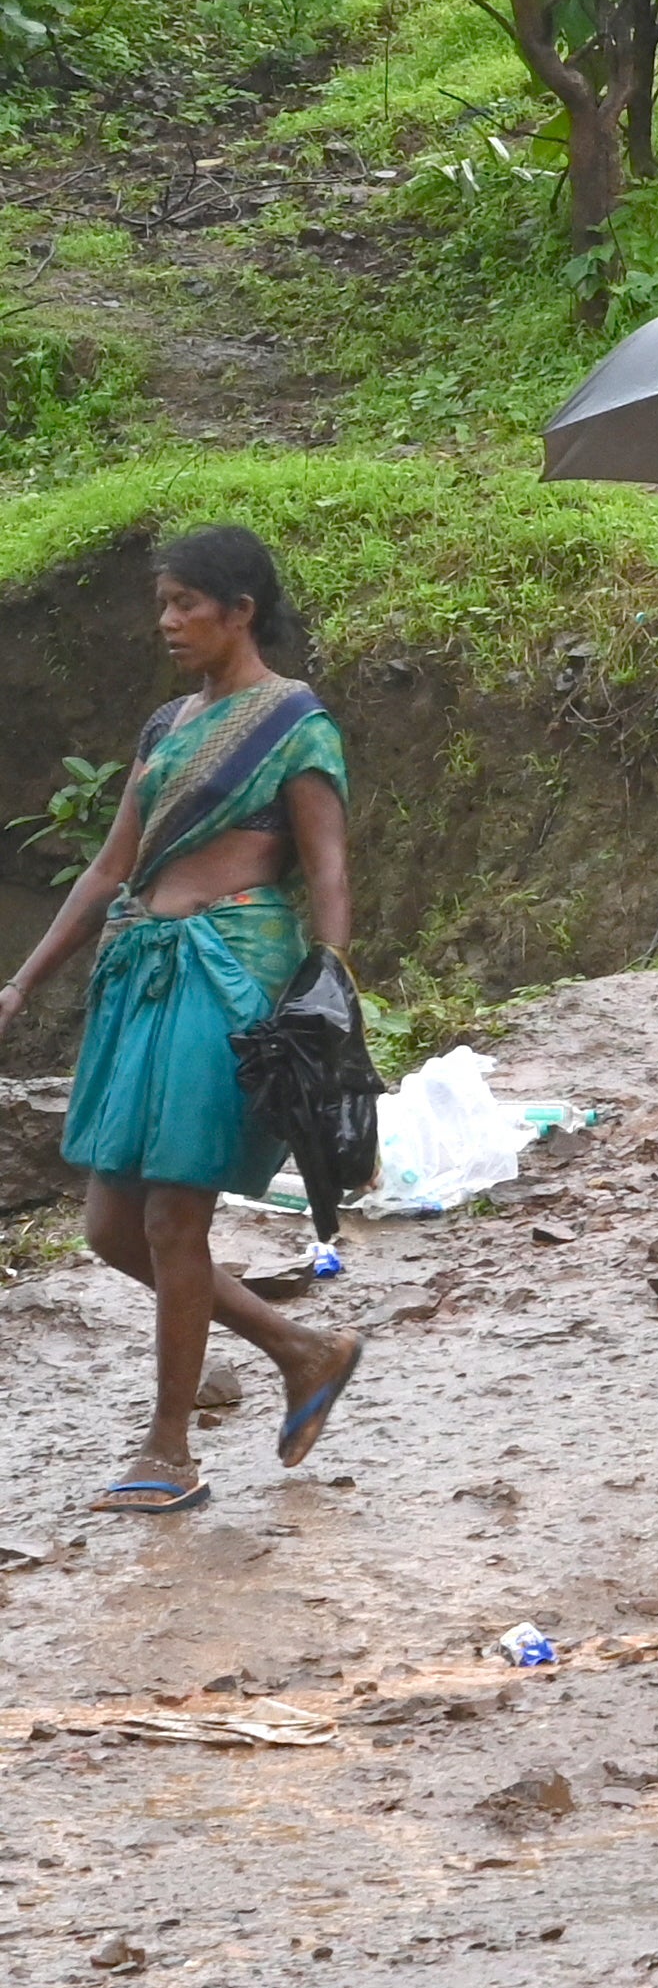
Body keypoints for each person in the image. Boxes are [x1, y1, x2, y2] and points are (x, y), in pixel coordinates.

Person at [0, 528, 361, 1513]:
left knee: (174, 1214)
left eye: (184, 603)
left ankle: (168, 1449)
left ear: (240, 610)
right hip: (143, 981)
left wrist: (332, 987)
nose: (166, 621)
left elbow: (327, 864)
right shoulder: (167, 728)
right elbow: (112, 868)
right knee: (112, 1226)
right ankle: (303, 1347)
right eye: (162, 602)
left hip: (230, 979)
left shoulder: (297, 723)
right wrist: (22, 984)